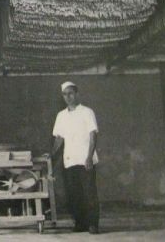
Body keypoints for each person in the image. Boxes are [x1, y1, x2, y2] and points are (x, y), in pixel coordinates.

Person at [48, 81, 99, 234]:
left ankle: (93, 225)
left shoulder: (87, 112)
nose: (68, 97)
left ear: (77, 94)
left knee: (89, 193)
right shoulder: (61, 116)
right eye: (65, 94)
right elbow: (59, 139)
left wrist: (89, 157)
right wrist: (51, 156)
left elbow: (93, 135)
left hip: (85, 160)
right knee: (74, 194)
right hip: (69, 160)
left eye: (70, 93)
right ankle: (80, 223)